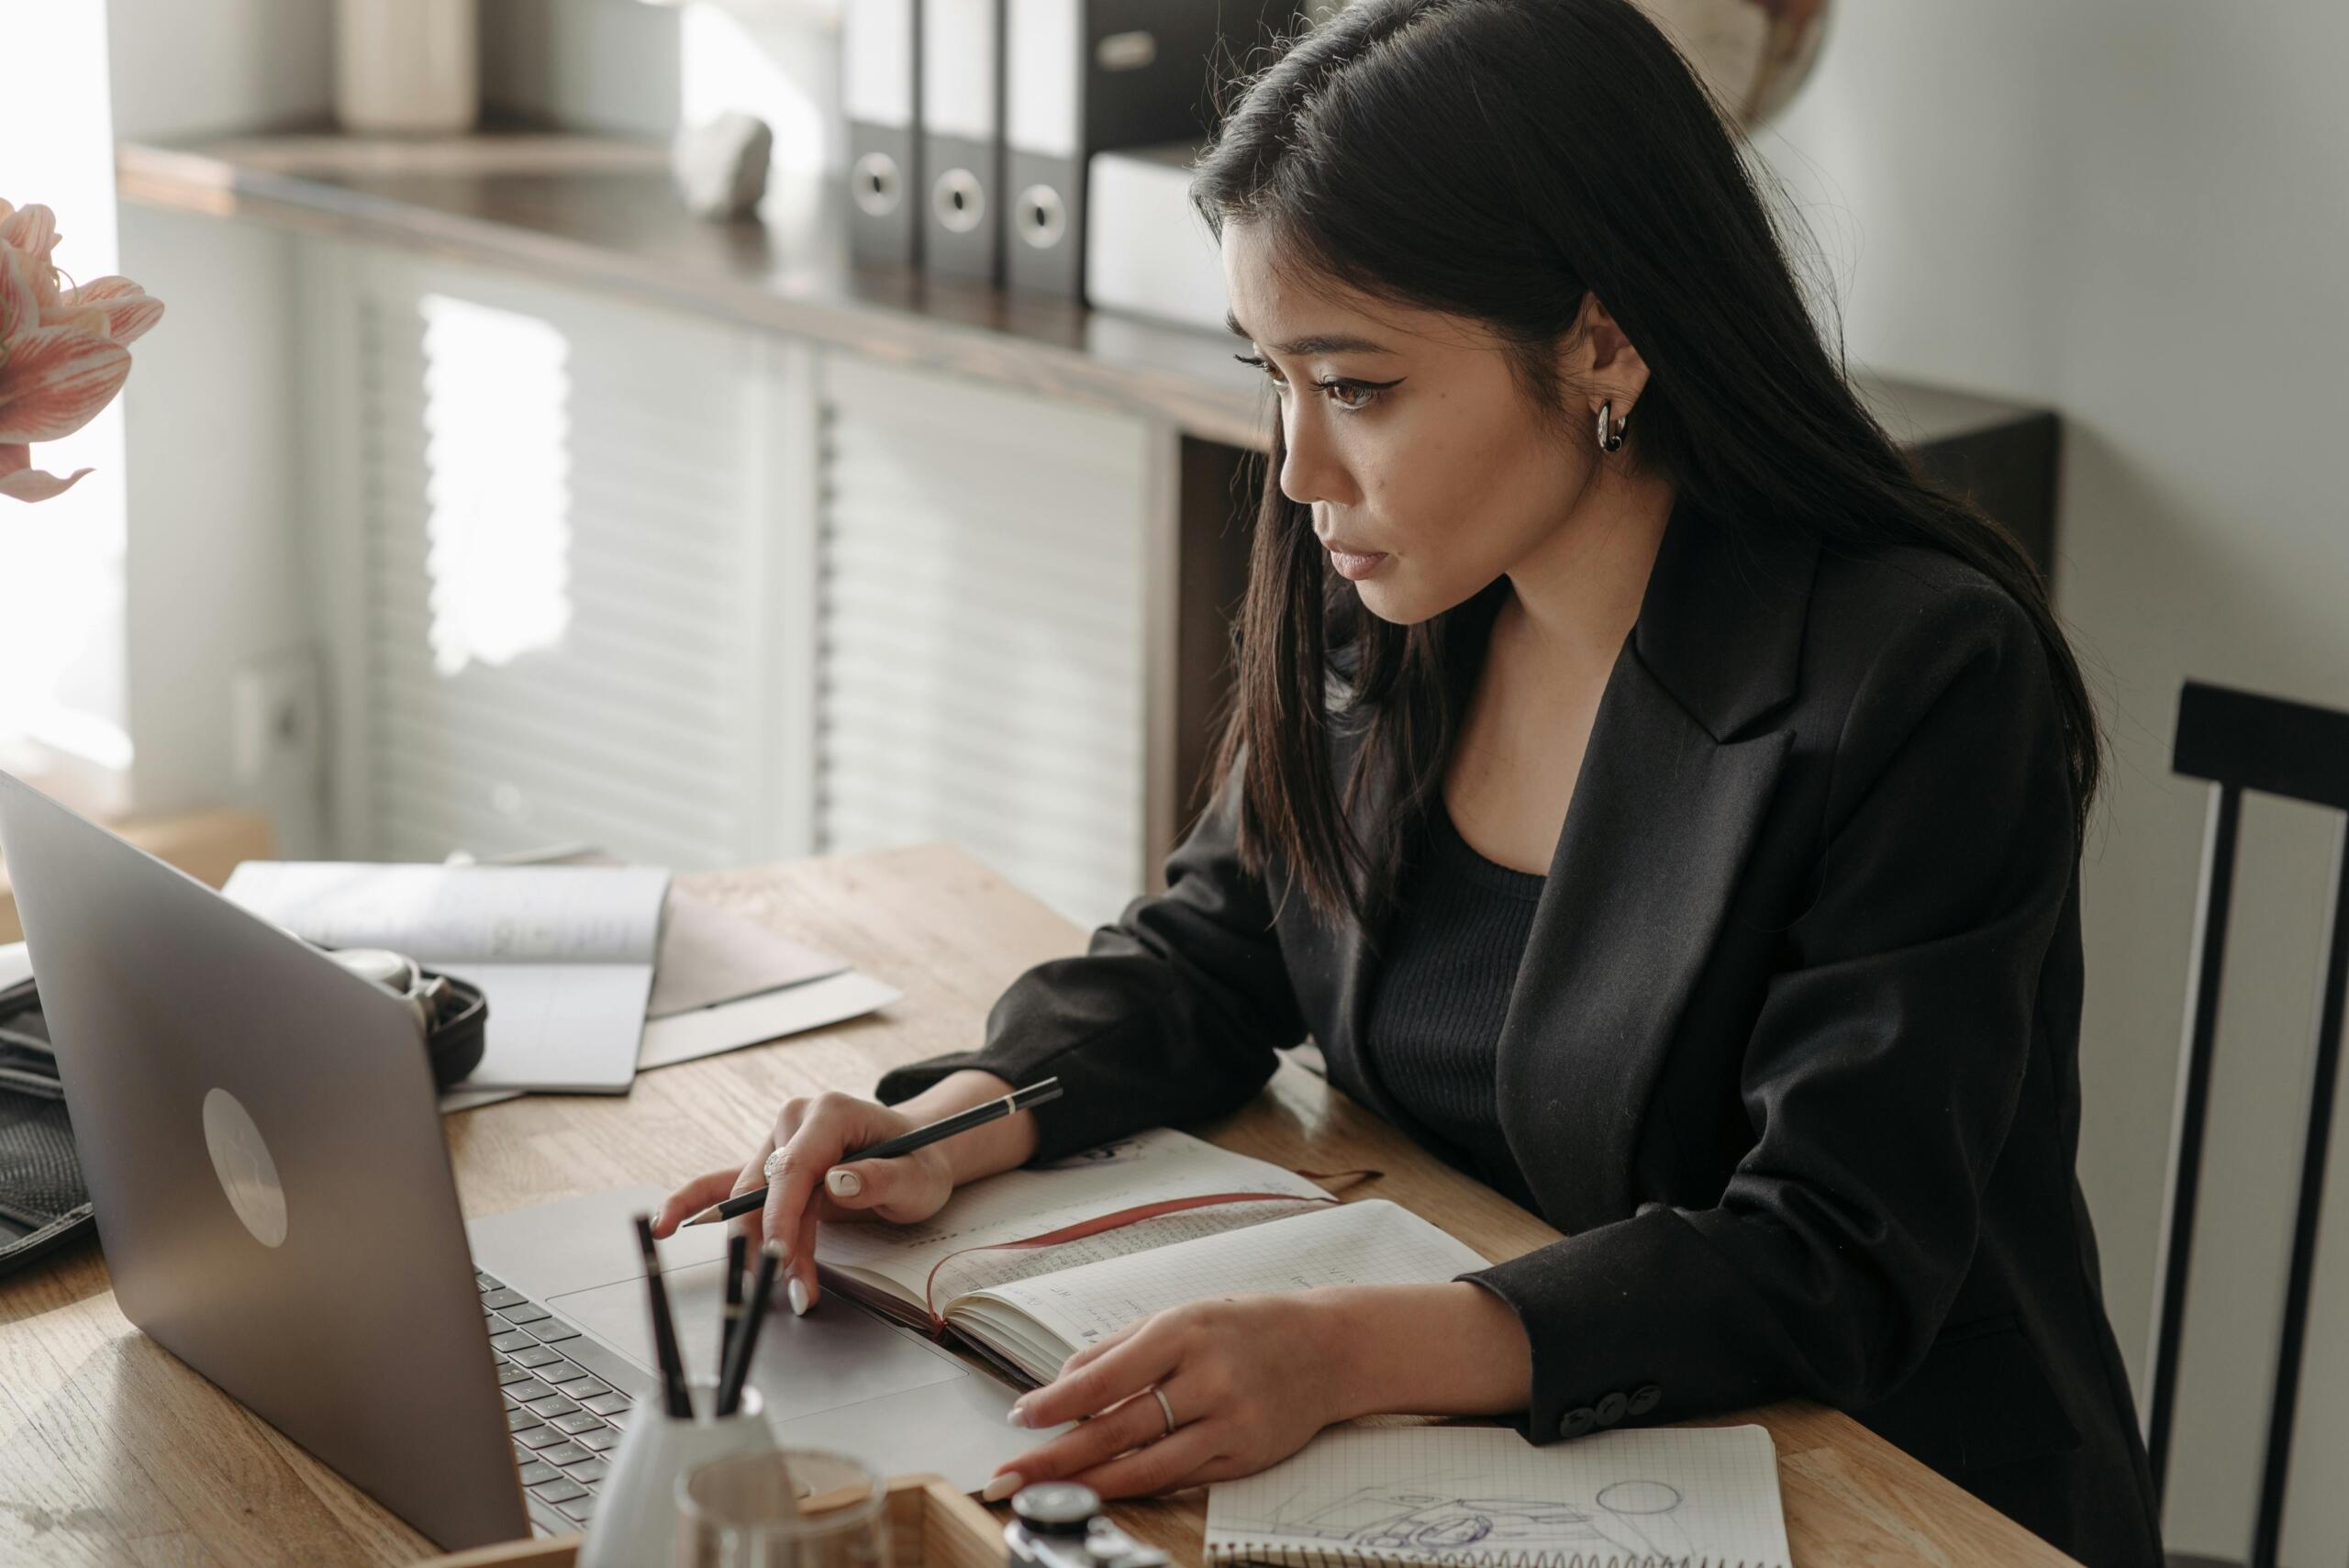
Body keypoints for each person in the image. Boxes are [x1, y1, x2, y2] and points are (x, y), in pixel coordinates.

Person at [657, 2, 2161, 1561]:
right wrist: (950, 1122)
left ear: (1601, 339)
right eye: (1274, 376)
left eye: (1357, 386)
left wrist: (1340, 1350)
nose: (1300, 469)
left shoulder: (1919, 678)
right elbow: (1215, 945)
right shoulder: (1402, 589)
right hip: (1489, 1479)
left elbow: (1829, 1255)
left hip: (1880, 1495)